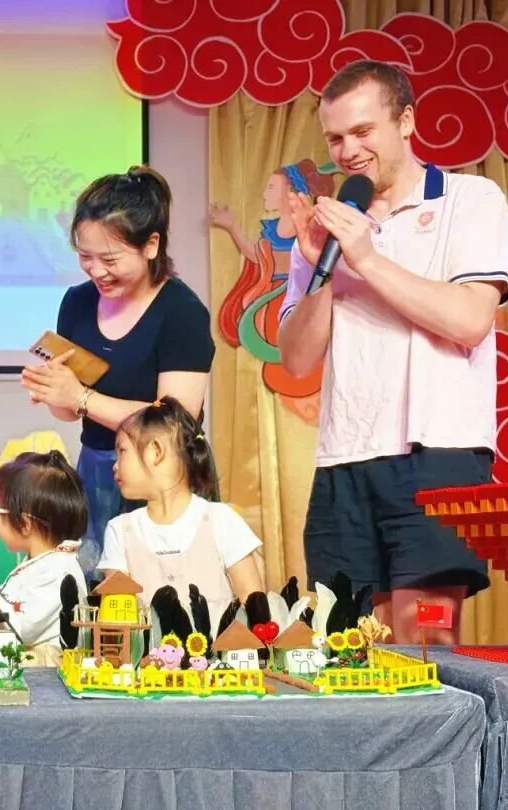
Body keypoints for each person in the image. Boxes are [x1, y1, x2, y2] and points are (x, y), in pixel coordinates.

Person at [278, 60, 508, 643]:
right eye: (336, 138)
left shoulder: (470, 199)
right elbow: (297, 360)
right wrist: (320, 266)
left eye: (363, 132)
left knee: (425, 646)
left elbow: (470, 319)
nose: (349, 151)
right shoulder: (331, 226)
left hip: (436, 452)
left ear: (406, 121)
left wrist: (365, 257)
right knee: (345, 646)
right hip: (344, 457)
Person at [22, 166, 214, 579]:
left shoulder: (181, 312)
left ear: (151, 245)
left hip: (160, 477)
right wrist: (56, 393)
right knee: (94, 590)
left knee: (161, 589)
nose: (95, 271)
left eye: (109, 259)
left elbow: (175, 422)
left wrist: (81, 397)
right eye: (84, 257)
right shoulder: (76, 302)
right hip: (95, 470)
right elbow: (69, 411)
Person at [98, 397, 264, 622]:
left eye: (122, 451)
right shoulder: (119, 530)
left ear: (155, 451)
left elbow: (254, 604)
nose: (115, 465)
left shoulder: (221, 520)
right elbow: (116, 619)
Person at [211, 159, 335, 414]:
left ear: (289, 192)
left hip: (286, 295)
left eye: (270, 187)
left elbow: (266, 256)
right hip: (276, 297)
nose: (264, 193)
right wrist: (232, 227)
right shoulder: (277, 226)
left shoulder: (296, 227)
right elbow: (258, 255)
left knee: (294, 349)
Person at [0, 451, 89, 661]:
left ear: (24, 524)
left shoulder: (58, 572)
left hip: (43, 673)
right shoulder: (46, 563)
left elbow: (18, 626)